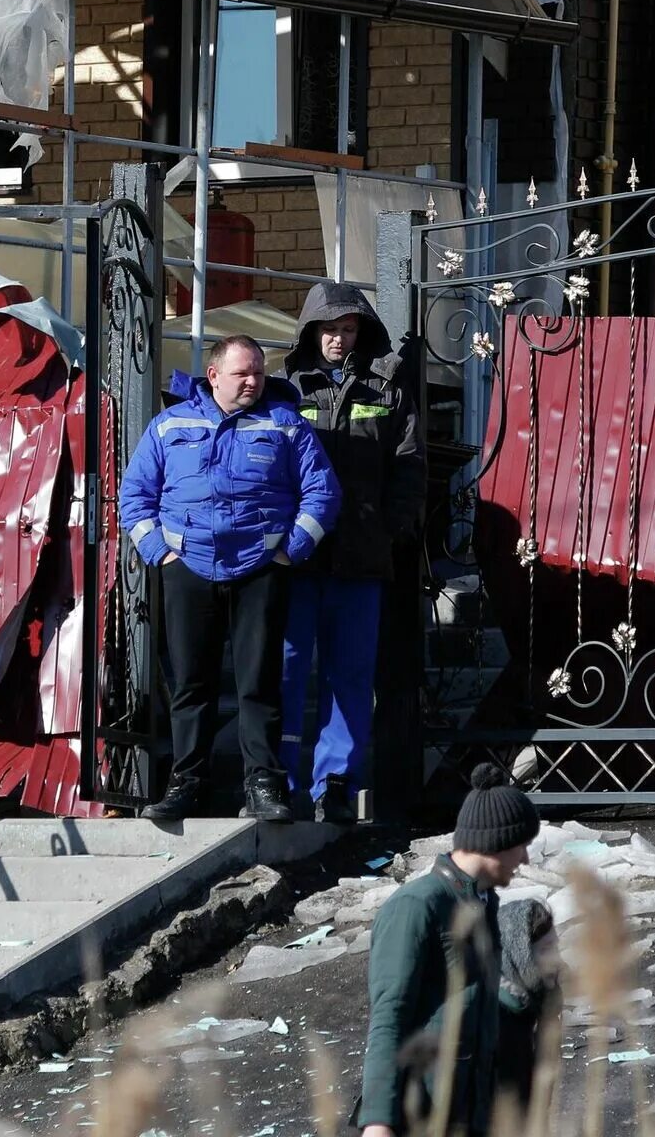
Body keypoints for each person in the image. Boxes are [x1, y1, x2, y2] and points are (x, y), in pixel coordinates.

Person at [118, 334, 342, 823]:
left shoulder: (286, 426)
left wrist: (290, 552)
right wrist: (161, 553)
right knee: (191, 684)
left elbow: (323, 495)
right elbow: (133, 497)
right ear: (213, 375)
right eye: (242, 373)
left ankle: (264, 787)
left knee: (259, 683)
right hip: (187, 569)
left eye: (259, 373)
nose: (252, 381)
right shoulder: (168, 425)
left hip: (261, 570)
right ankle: (185, 785)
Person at [281, 282, 425, 826]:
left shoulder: (388, 387)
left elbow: (409, 465)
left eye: (347, 329)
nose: (338, 339)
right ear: (311, 331)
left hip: (362, 557)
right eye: (329, 329)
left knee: (350, 676)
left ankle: (336, 783)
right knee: (288, 672)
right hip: (296, 560)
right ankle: (281, 781)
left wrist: (389, 528)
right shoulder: (288, 386)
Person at [355, 765, 542, 1137]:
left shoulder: (483, 903)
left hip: (471, 1112)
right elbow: (389, 1016)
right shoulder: (417, 905)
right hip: (423, 1115)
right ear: (497, 841)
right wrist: (378, 1123)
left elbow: (469, 1001)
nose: (525, 859)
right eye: (522, 844)